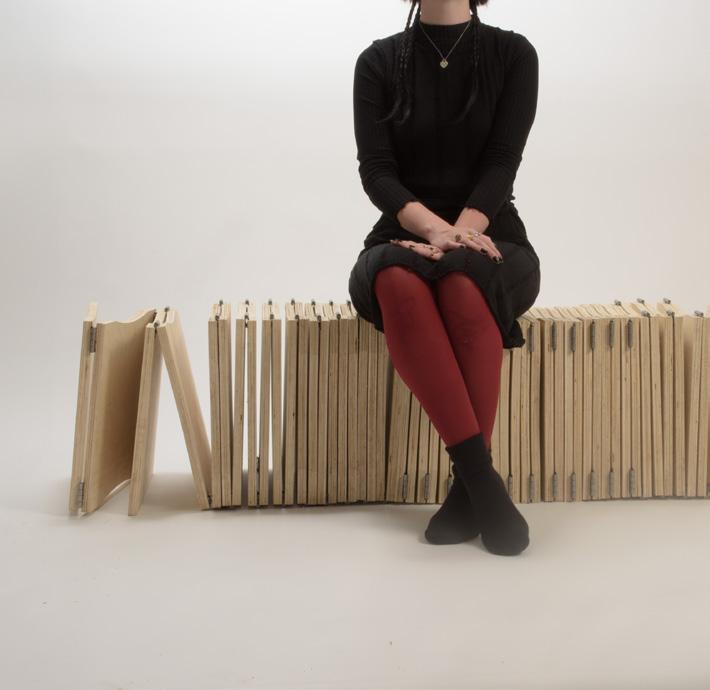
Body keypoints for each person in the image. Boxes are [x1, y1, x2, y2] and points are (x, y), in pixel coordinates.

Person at [347, 0, 541, 556]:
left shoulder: (513, 54)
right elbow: (376, 171)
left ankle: (465, 492)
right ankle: (481, 481)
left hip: (490, 233)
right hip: (403, 234)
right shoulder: (377, 61)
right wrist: (434, 232)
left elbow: (502, 161)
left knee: (461, 279)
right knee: (396, 280)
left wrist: (459, 235)